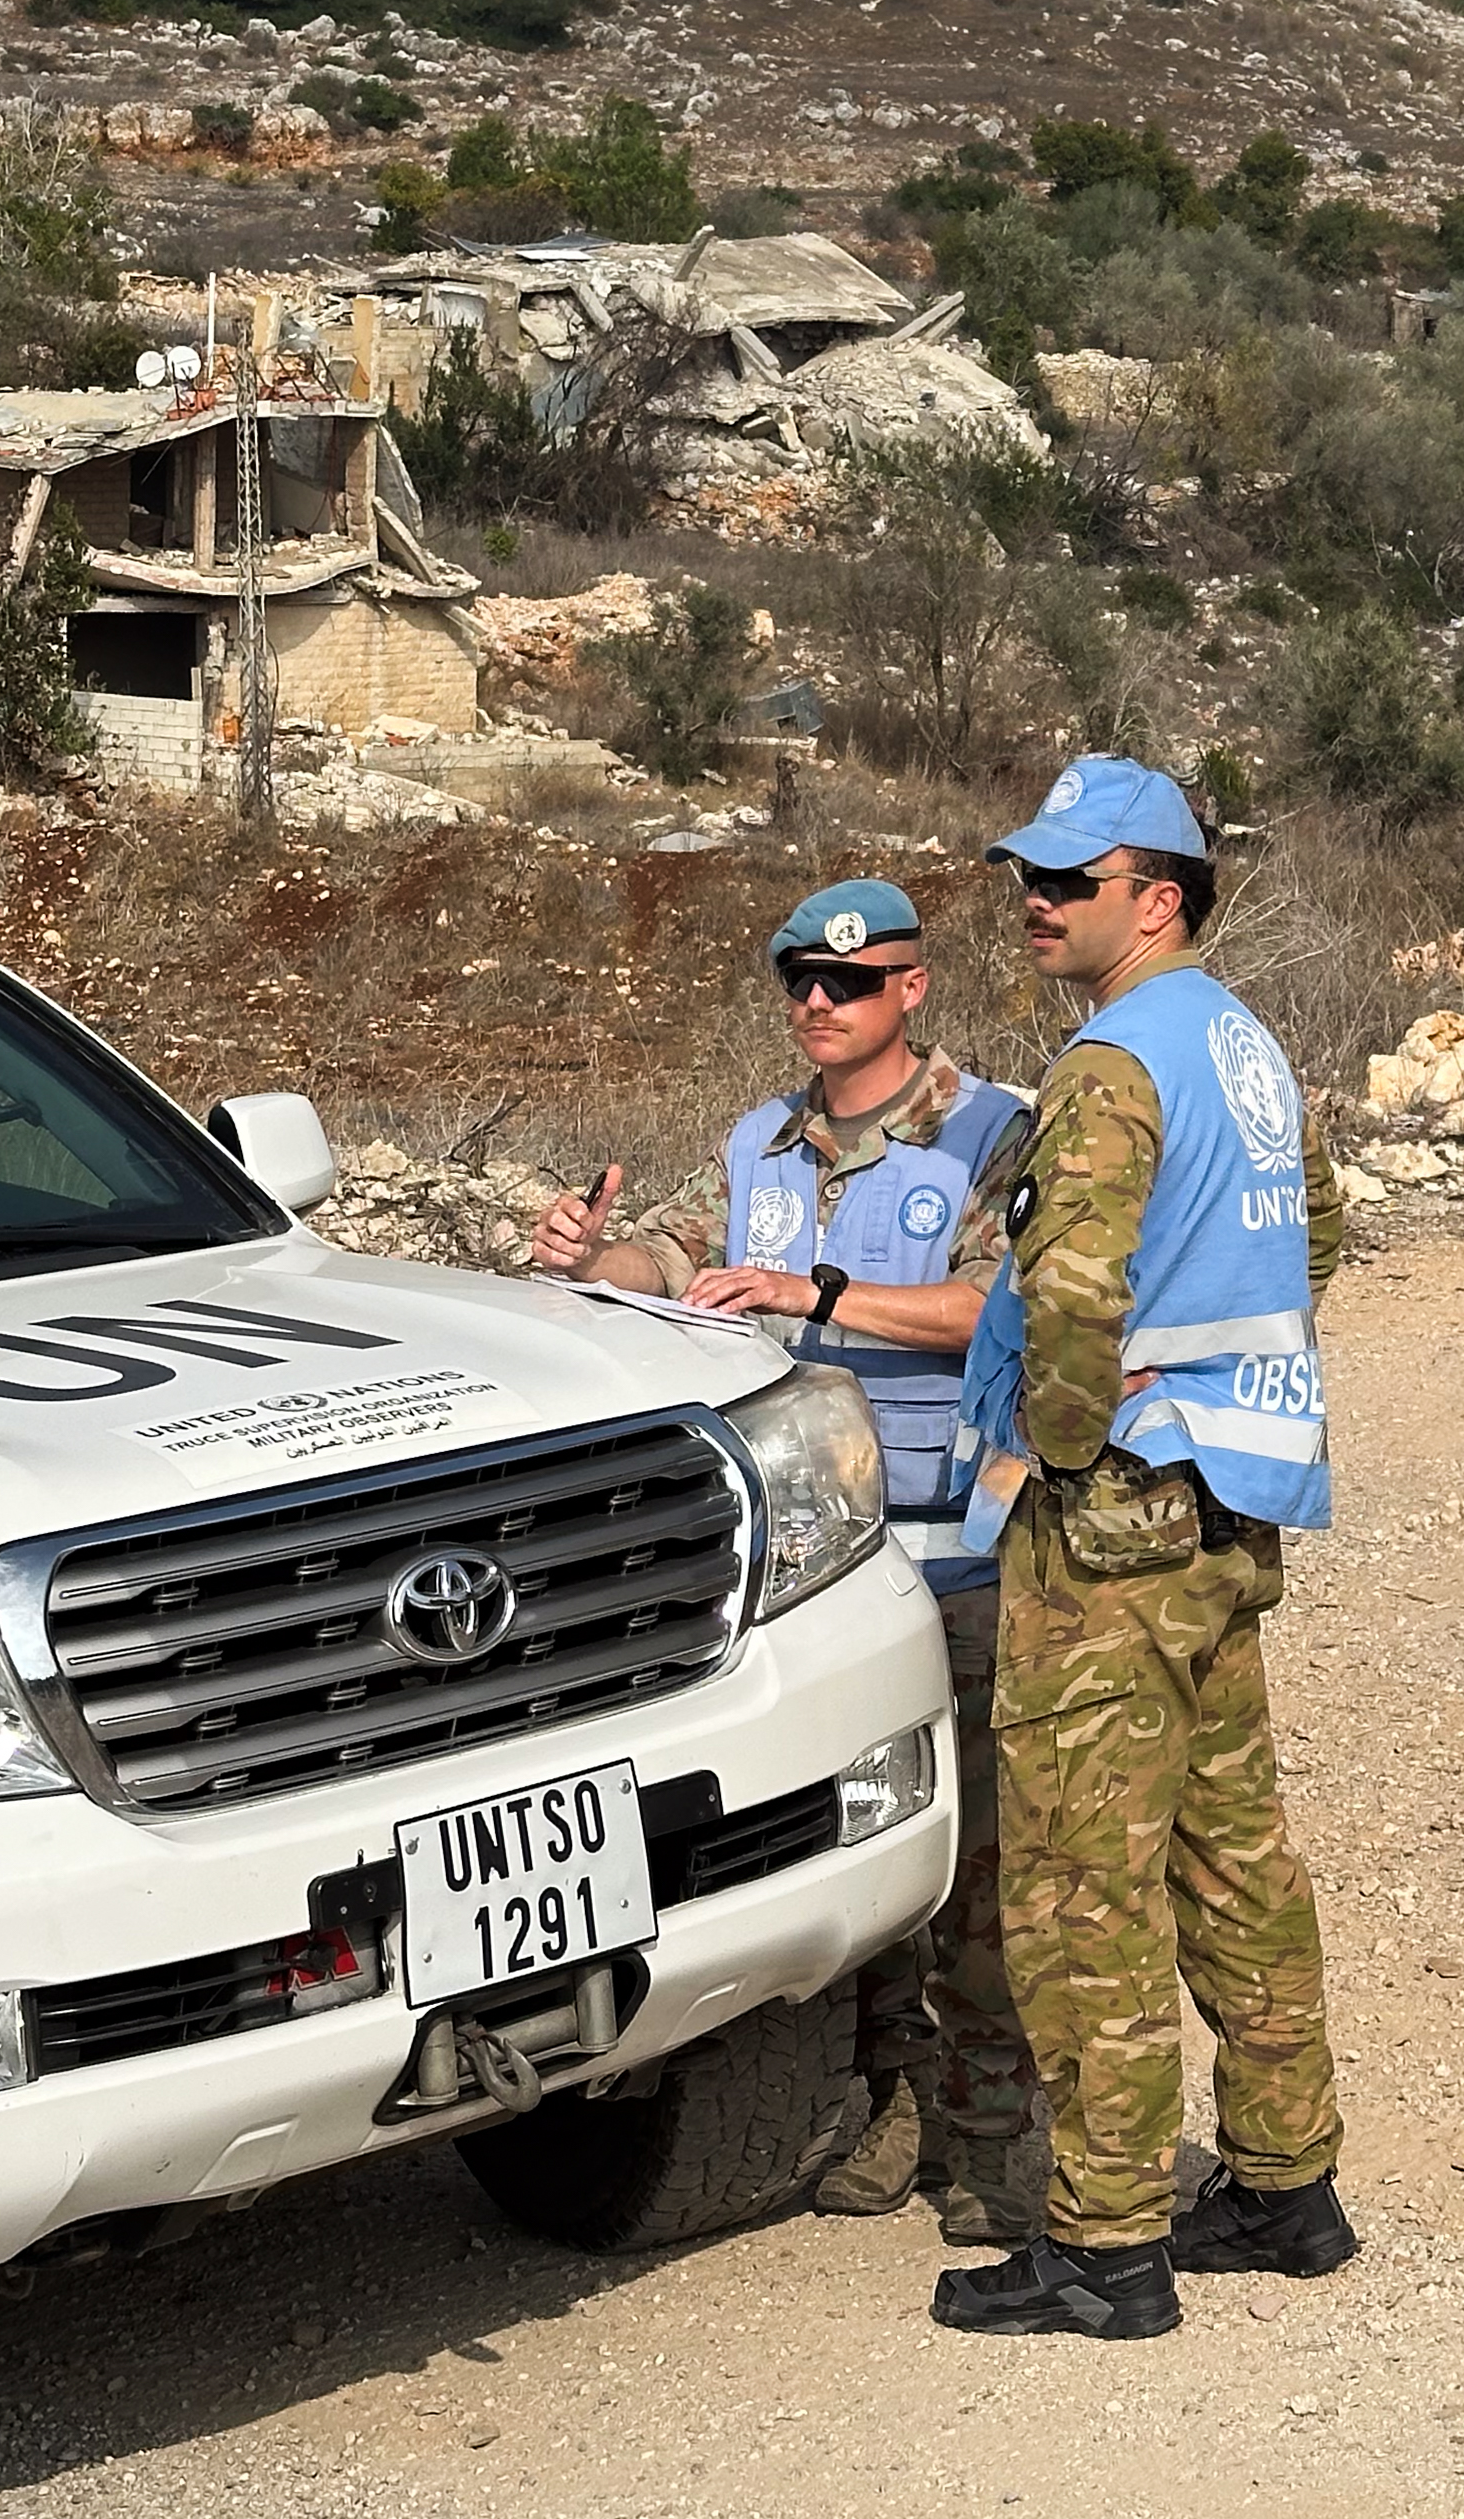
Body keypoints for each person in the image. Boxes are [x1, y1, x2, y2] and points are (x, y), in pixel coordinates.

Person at [531, 875, 1041, 2239]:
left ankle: (990, 2136)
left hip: (963, 1551)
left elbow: (1007, 1307)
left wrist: (816, 1293)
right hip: (811, 1574)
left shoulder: (991, 1133)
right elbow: (678, 1248)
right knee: (851, 1851)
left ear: (913, 989)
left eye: (852, 981)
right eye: (801, 980)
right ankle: (883, 2102)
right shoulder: (762, 1142)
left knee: (981, 1868)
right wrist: (602, 1256)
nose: (821, 1001)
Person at [930, 756, 1350, 2345]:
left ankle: (1106, 2242)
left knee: (1077, 1877)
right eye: (1028, 879)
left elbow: (1076, 1291)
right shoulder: (1246, 1045)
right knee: (1229, 1847)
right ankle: (1284, 2184)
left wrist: (1065, 1438)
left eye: (1067, 884)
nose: (1034, 906)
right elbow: (1322, 1237)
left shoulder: (1112, 1061)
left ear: (1154, 896)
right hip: (1232, 1502)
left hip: (1116, 1526)